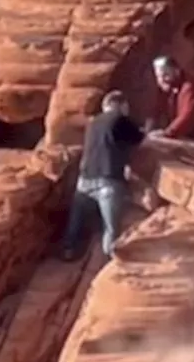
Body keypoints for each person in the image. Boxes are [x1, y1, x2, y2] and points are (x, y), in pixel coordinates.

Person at [61, 90, 145, 261]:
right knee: (111, 228)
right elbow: (139, 139)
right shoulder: (120, 119)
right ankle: (110, 260)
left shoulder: (92, 123)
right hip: (108, 181)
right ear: (121, 105)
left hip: (84, 180)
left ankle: (68, 249)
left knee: (76, 222)